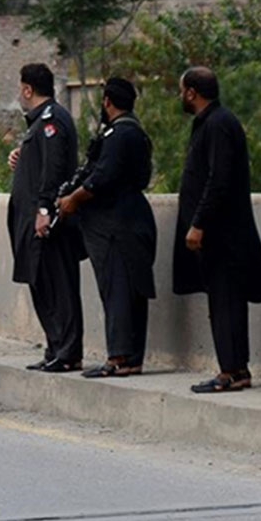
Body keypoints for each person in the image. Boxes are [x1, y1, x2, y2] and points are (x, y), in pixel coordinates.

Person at [173, 67, 261, 393]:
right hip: (216, 235)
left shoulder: (219, 125)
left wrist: (199, 224)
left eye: (181, 90)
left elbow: (219, 181)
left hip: (223, 234)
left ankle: (232, 372)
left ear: (192, 92)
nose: (180, 97)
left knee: (227, 301)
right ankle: (233, 368)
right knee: (222, 302)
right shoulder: (209, 124)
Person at [56, 77, 156, 378]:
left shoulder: (120, 135)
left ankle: (120, 357)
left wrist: (73, 198)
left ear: (107, 102)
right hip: (128, 220)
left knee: (119, 290)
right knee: (127, 290)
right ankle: (130, 357)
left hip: (117, 225)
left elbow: (102, 176)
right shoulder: (132, 132)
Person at [7, 63, 84, 373]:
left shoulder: (52, 120)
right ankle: (56, 348)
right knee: (43, 285)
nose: (19, 93)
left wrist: (43, 209)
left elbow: (53, 169)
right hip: (34, 224)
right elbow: (40, 162)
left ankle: (67, 352)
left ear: (28, 89)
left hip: (47, 224)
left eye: (20, 88)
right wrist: (21, 155)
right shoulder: (38, 124)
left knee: (58, 286)